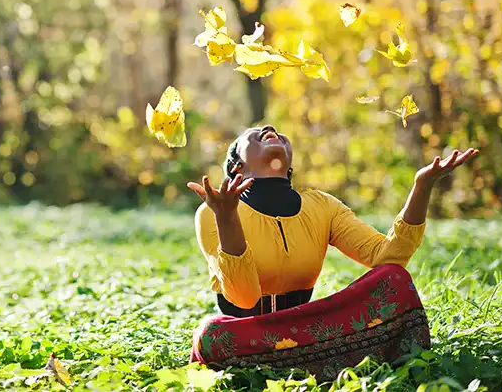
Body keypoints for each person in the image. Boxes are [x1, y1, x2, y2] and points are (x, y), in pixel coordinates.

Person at [186, 125, 478, 379]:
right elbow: (245, 298)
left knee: (394, 278)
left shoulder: (322, 207)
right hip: (248, 338)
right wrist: (227, 219)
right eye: (255, 133)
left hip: (310, 332)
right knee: (211, 334)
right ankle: (334, 362)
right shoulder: (213, 213)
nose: (271, 129)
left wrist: (422, 186)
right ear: (237, 165)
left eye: (278, 133)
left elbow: (387, 257)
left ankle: (306, 363)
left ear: (289, 165)